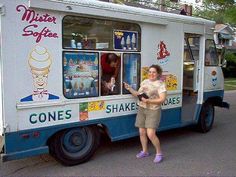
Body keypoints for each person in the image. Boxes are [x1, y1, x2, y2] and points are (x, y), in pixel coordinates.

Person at [124, 64, 167, 163]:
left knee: (151, 134)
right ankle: (145, 151)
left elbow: (162, 99)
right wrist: (130, 88)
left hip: (153, 110)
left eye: (154, 72)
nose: (151, 74)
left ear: (158, 74)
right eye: (150, 72)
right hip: (142, 108)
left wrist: (148, 101)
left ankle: (159, 153)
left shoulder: (161, 84)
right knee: (142, 132)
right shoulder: (144, 82)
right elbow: (138, 95)